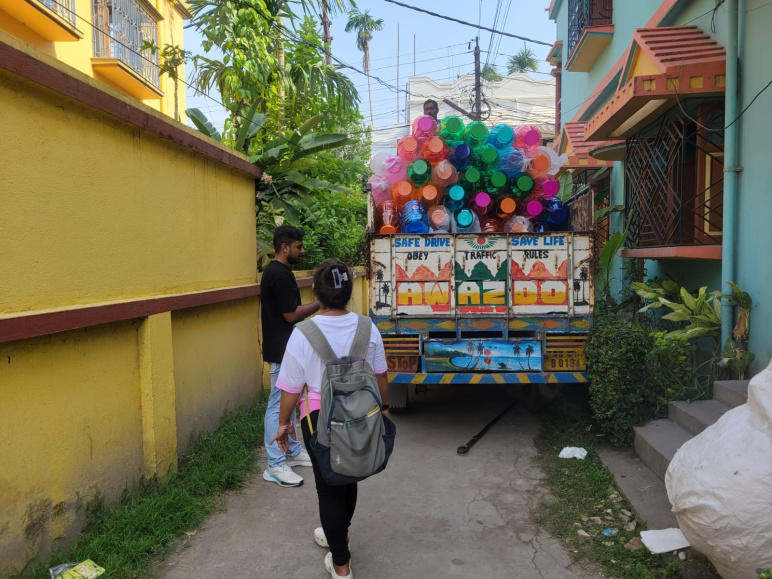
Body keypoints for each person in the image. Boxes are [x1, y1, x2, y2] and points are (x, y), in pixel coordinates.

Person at [270, 261, 390, 579]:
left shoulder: (303, 334)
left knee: (328, 489)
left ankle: (341, 565)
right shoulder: (368, 327)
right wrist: (385, 411)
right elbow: (381, 376)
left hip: (318, 419)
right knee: (347, 479)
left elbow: (291, 389)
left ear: (315, 293)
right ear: (349, 292)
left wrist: (284, 424)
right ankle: (340, 534)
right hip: (362, 416)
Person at [261, 225, 320, 487]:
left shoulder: (278, 271)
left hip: (285, 347)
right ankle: (274, 465)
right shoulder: (280, 274)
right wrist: (322, 302)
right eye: (298, 247)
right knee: (277, 404)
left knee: (291, 399)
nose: (302, 250)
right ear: (285, 247)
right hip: (280, 349)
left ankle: (293, 451)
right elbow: (291, 314)